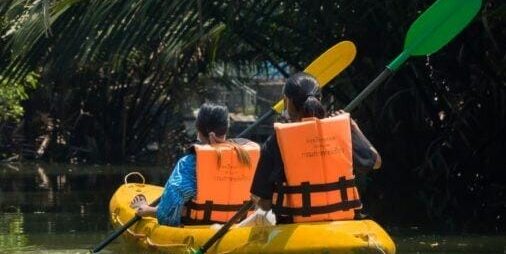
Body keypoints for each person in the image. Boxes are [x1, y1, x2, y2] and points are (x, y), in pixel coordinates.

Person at [246, 72, 381, 225]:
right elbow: (376, 162)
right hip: (344, 223)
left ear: (287, 102)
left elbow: (265, 203)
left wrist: (257, 200)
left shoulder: (276, 141)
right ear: (320, 100)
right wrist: (353, 128)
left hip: (293, 225)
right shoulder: (342, 132)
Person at [130, 102, 260, 226]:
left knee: (176, 206)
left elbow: (168, 214)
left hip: (197, 227)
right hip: (239, 225)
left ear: (198, 128)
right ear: (226, 128)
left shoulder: (189, 163)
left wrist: (149, 210)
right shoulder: (246, 157)